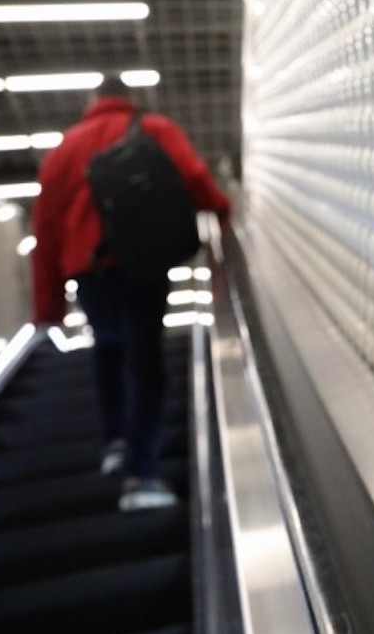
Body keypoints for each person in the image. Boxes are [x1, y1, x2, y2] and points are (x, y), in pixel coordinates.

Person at [31, 74, 231, 511]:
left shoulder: (63, 149)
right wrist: (223, 214)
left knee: (106, 346)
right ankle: (141, 475)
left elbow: (44, 232)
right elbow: (195, 177)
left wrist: (49, 308)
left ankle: (116, 442)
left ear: (93, 101)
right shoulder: (152, 127)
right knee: (145, 361)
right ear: (127, 99)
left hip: (87, 270)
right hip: (141, 261)